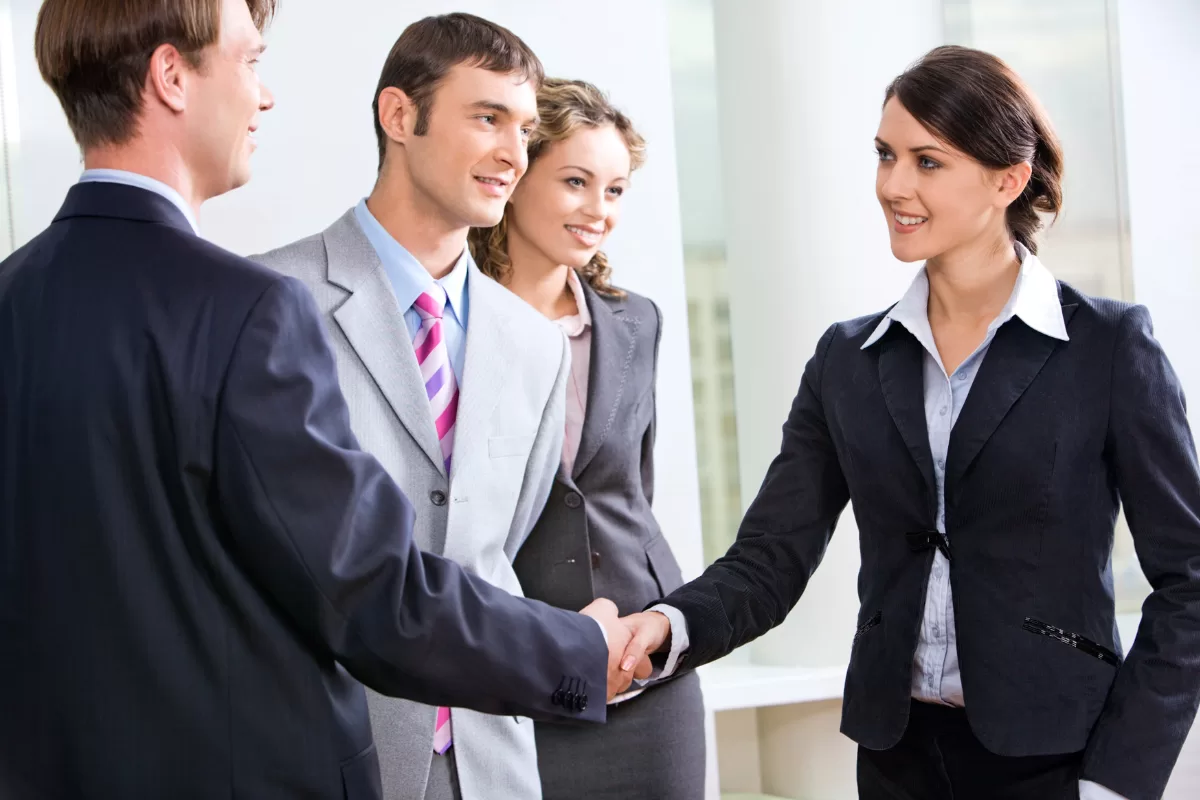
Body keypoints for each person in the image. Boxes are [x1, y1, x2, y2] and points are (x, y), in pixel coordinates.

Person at [0, 2, 645, 798]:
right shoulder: (254, 306)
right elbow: (366, 587)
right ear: (171, 76)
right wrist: (576, 652)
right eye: (250, 61)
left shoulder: (11, 300)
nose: (264, 94)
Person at [620, 45, 1200, 800]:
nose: (893, 185)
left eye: (928, 161)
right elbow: (771, 556)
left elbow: (1190, 579)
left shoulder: (1108, 346)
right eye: (885, 154)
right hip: (896, 760)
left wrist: (1116, 781)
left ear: (1007, 180)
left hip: (1058, 760)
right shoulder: (847, 359)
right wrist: (669, 626)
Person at [254, 14, 595, 800]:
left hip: (494, 759)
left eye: (524, 129)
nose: (514, 154)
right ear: (400, 116)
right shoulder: (267, 302)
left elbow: (498, 548)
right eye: (488, 118)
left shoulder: (535, 344)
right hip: (334, 752)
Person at [468, 78, 705, 799]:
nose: (599, 209)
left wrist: (660, 623)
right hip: (517, 671)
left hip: (647, 667)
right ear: (515, 175)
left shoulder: (638, 322)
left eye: (615, 189)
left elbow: (631, 490)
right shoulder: (455, 324)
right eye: (576, 181)